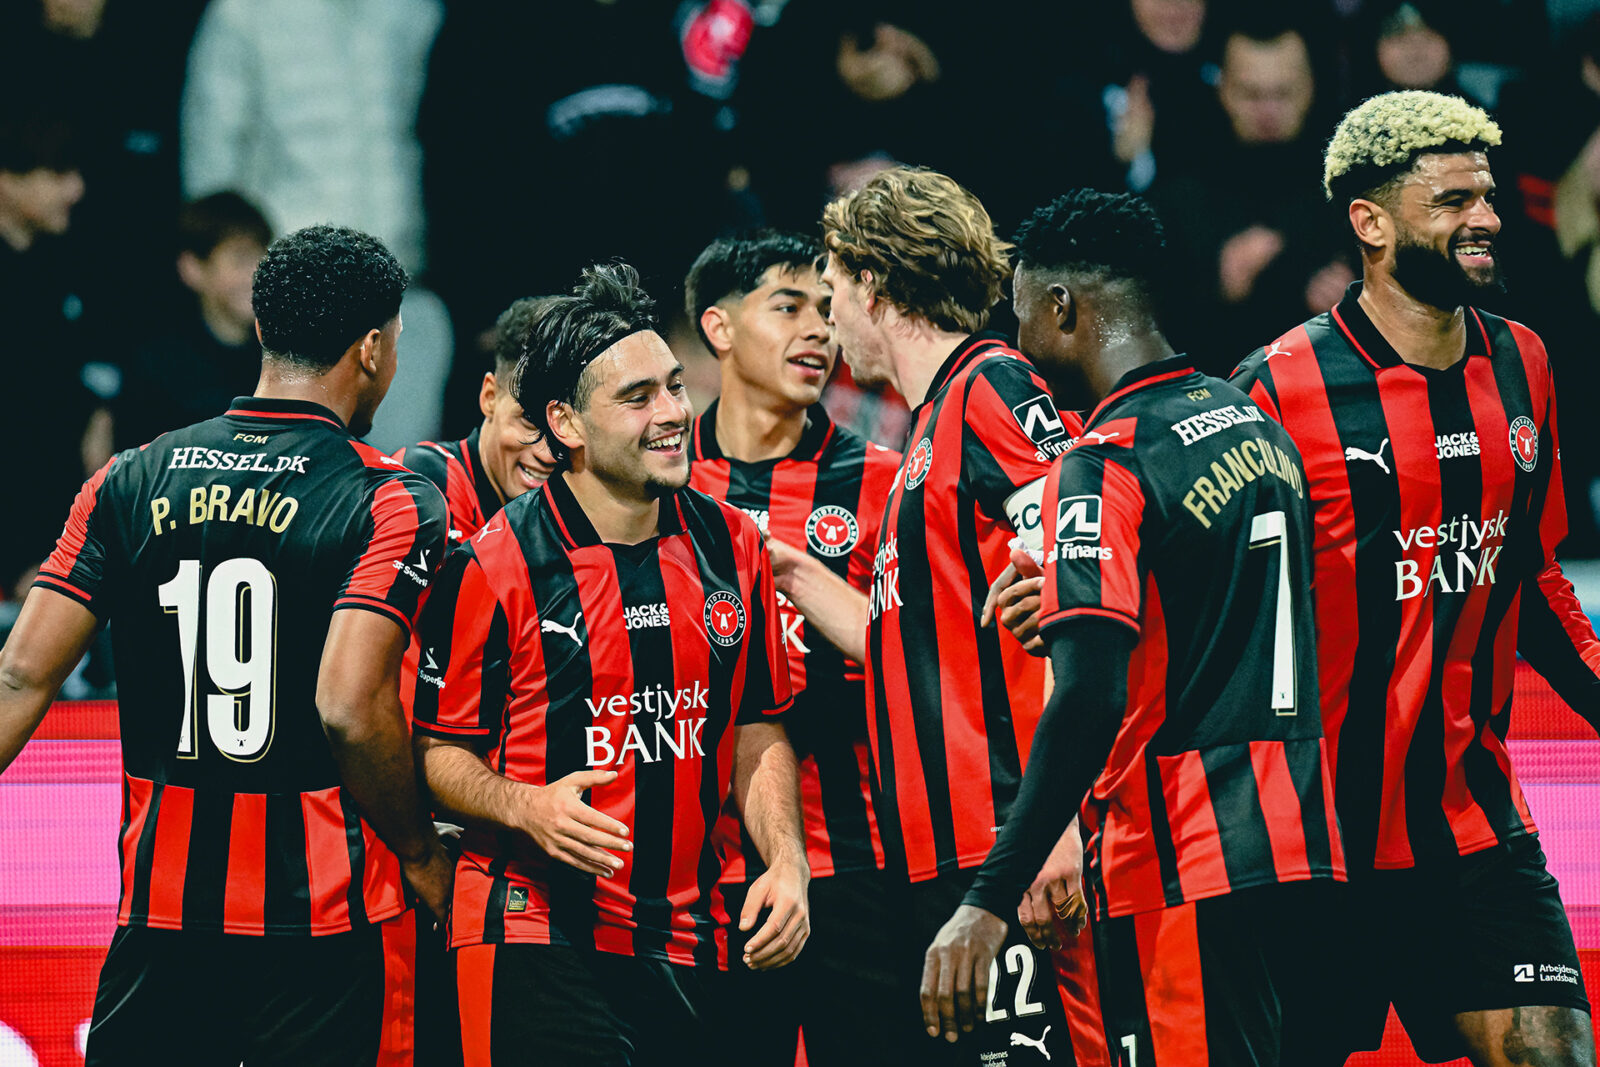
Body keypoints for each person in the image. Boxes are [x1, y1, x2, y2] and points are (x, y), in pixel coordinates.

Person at [0, 224, 454, 1065]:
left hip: (164, 911)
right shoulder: (390, 500)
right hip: (323, 920)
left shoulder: (129, 477)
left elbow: (20, 676)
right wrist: (422, 851)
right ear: (373, 348)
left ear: (262, 328)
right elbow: (349, 708)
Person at [923, 189, 1345, 1064]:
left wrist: (990, 895)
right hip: (1298, 841)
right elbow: (1207, 602)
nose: (1016, 341)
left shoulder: (1105, 460)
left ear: (1062, 307)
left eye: (1020, 314)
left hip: (1182, 855)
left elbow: (1088, 696)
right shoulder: (1250, 418)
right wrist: (1075, 597)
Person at [1231, 89, 1600, 1065]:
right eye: (1451, 200)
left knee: (1556, 1052)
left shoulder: (1523, 362)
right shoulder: (1274, 389)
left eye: (1487, 196)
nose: (1485, 218)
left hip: (1474, 827)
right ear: (1371, 222)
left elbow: (1530, 579)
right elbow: (1213, 614)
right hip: (1315, 847)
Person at [411, 263, 807, 1066]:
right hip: (535, 929)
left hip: (696, 937)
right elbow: (437, 748)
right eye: (638, 397)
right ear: (567, 423)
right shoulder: (494, 562)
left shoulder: (732, 543)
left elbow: (756, 725)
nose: (673, 413)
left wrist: (789, 861)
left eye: (674, 386)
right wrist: (527, 806)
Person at [817, 166, 1107, 1065]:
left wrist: (1055, 824)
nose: (829, 321)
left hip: (1010, 850)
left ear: (872, 283)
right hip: (946, 862)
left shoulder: (989, 387)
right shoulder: (928, 428)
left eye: (832, 292)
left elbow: (1078, 578)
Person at [683, 230, 902, 1065]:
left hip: (862, 863)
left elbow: (934, 664)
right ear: (719, 327)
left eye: (825, 309)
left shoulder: (886, 480)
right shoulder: (660, 483)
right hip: (699, 878)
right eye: (787, 307)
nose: (817, 329)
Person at [394, 295, 559, 542]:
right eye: (528, 420)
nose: (547, 455)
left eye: (564, 426)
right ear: (490, 397)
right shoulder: (424, 481)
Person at [116, 191, 271, 450]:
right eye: (240, 259)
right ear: (192, 268)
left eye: (264, 257)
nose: (258, 273)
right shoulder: (158, 365)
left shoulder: (283, 360)